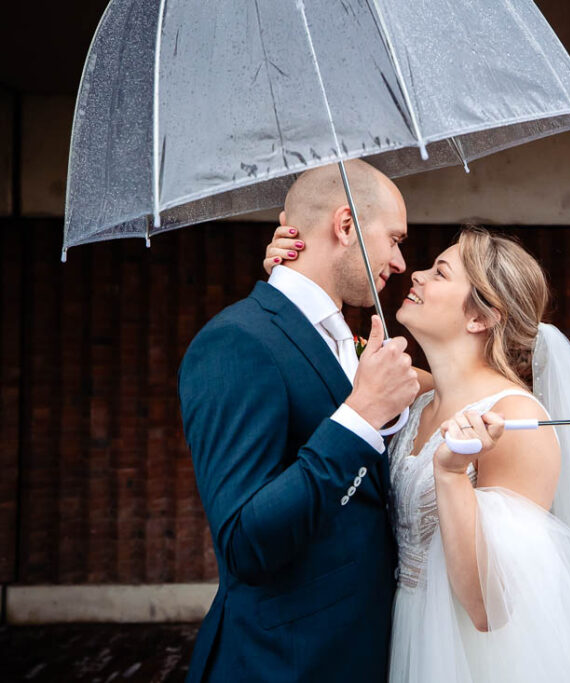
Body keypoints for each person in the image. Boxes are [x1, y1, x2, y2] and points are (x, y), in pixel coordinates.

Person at [265, 225, 570, 682]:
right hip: (391, 632)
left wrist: (452, 473)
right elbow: (338, 360)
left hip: (471, 656)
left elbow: (489, 606)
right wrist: (298, 276)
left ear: (481, 317)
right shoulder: (416, 395)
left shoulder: (516, 421)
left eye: (439, 273)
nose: (416, 275)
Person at [178, 160, 422, 682]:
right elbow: (244, 542)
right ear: (346, 225)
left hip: (357, 652)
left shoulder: (343, 339)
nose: (400, 262)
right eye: (395, 239)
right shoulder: (237, 341)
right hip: (283, 663)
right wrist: (359, 417)